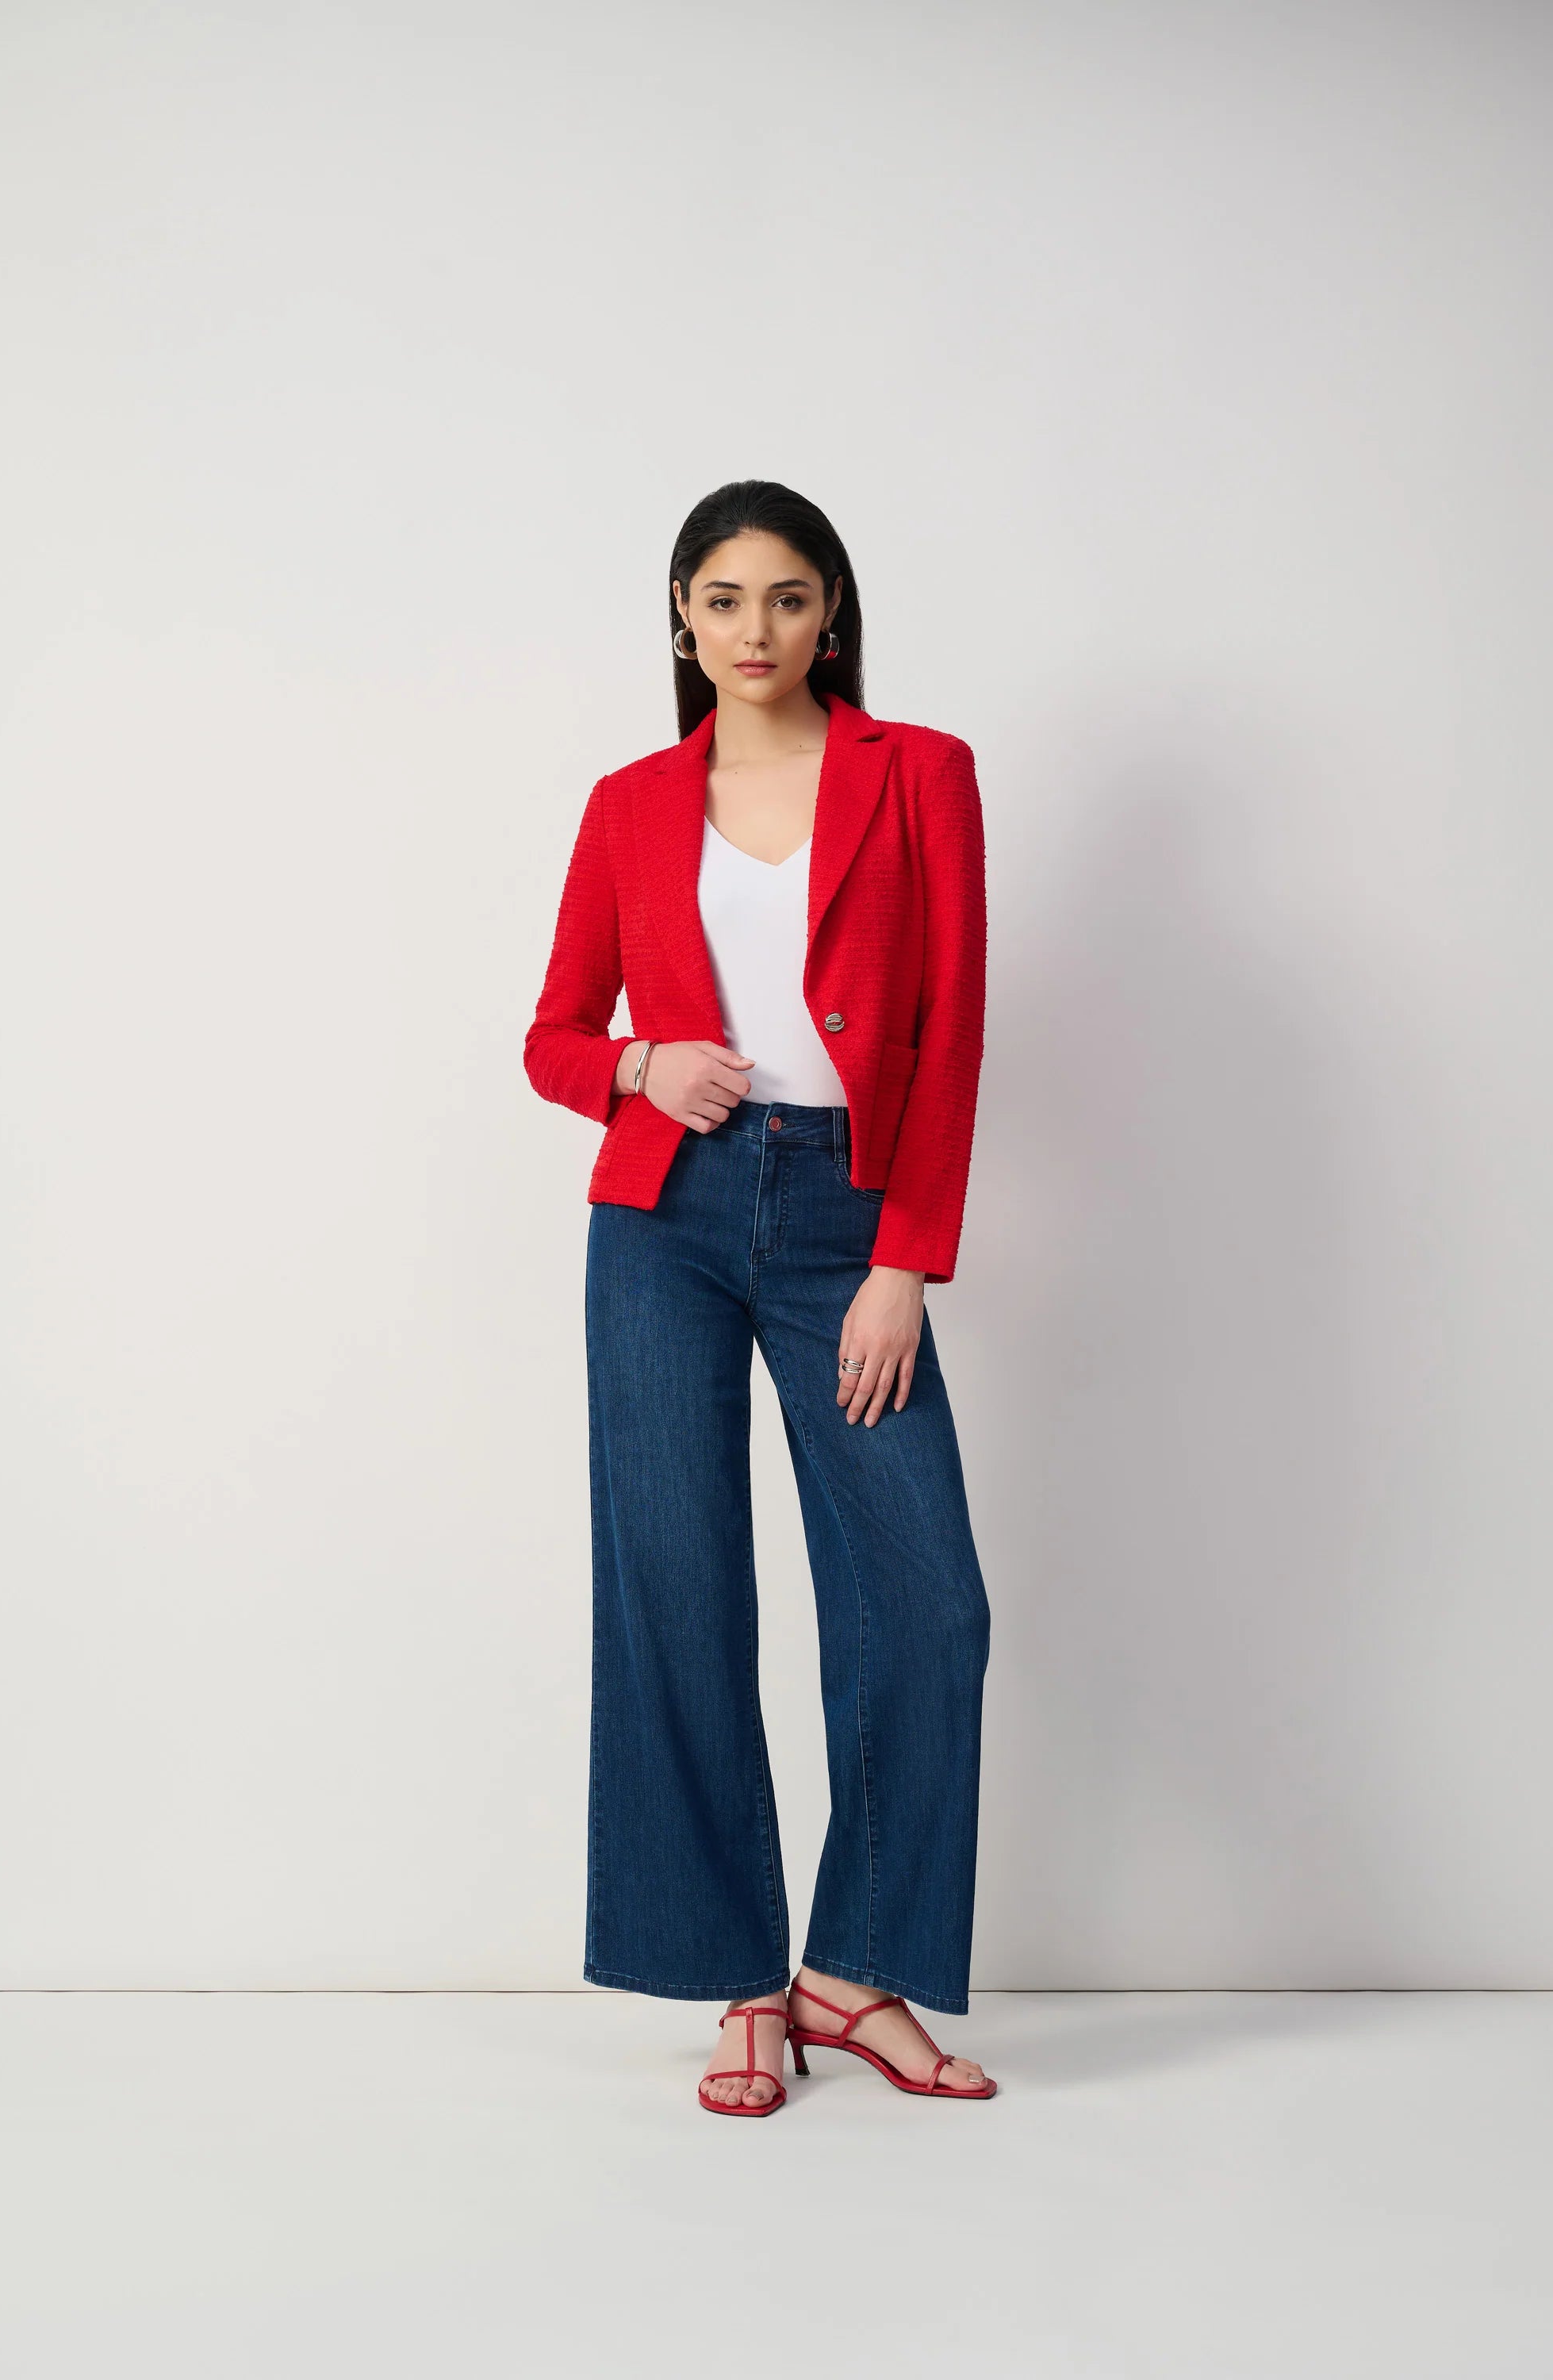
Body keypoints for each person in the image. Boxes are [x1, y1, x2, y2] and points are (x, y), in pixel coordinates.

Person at [524, 479, 995, 2115]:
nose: (754, 631)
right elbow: (555, 1038)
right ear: (681, 616)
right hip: (661, 1218)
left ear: (830, 615)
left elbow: (947, 1031)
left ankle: (851, 1976)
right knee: (678, 1592)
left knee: (927, 1606)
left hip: (843, 1220)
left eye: (786, 599)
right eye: (722, 600)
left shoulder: (917, 773)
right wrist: (642, 1062)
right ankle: (737, 1981)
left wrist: (900, 1264)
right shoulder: (629, 801)